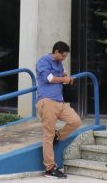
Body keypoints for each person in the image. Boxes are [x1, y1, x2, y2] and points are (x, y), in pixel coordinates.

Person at [35, 41, 81, 179]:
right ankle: (49, 168)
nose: (64, 58)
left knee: (76, 121)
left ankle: (58, 136)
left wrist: (65, 76)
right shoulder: (44, 60)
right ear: (56, 51)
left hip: (60, 102)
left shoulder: (59, 64)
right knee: (47, 135)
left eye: (65, 56)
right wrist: (64, 79)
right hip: (47, 101)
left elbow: (59, 76)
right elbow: (48, 78)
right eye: (63, 56)